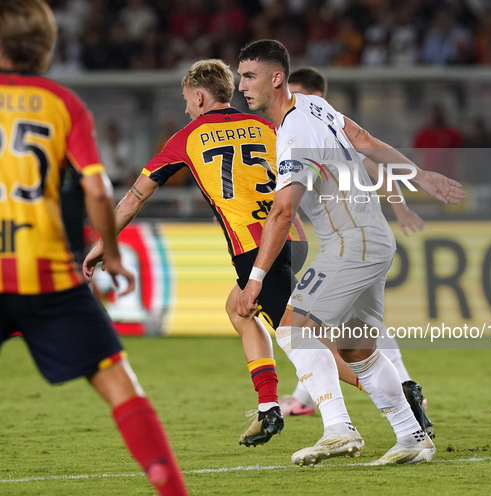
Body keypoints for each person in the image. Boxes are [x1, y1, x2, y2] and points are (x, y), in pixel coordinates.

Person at [236, 40, 465, 466]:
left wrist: (254, 281)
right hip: (375, 238)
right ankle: (412, 437)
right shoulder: (312, 106)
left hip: (350, 243)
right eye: (240, 76)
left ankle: (338, 429)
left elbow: (283, 211)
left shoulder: (293, 130)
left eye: (249, 76)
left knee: (290, 327)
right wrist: (420, 175)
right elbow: (363, 138)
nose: (242, 85)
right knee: (355, 347)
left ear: (276, 78)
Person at [0, 2, 189, 495]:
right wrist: (113, 250)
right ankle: (172, 489)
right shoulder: (62, 103)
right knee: (118, 381)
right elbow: (99, 189)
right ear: (46, 46)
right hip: (45, 272)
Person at [82, 59, 308, 448]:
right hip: (290, 235)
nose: (186, 108)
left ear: (200, 97)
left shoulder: (187, 137)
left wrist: (103, 244)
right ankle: (269, 405)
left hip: (254, 249)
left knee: (304, 343)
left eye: (187, 100)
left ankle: (394, 391)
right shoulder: (266, 126)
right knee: (239, 308)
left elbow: (134, 199)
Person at [281, 67, 432, 440]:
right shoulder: (326, 131)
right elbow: (373, 167)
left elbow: (376, 170)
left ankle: (329, 415)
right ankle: (408, 417)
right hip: (354, 240)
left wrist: (400, 208)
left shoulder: (312, 125)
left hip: (354, 243)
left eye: (297, 93)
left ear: (315, 95)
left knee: (297, 328)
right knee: (357, 336)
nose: (291, 100)